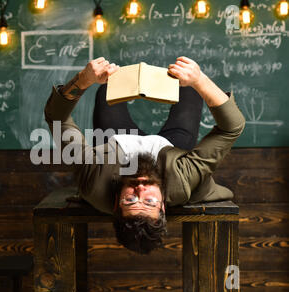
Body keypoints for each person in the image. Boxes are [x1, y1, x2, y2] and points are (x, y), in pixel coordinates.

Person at [43, 56, 245, 254]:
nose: (139, 189)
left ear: (115, 204)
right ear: (163, 205)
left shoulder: (95, 179)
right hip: (169, 148)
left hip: (117, 141)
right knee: (190, 92)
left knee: (107, 88)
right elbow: (232, 127)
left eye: (130, 200)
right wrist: (200, 80)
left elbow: (57, 117)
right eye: (149, 202)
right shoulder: (183, 180)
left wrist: (83, 80)